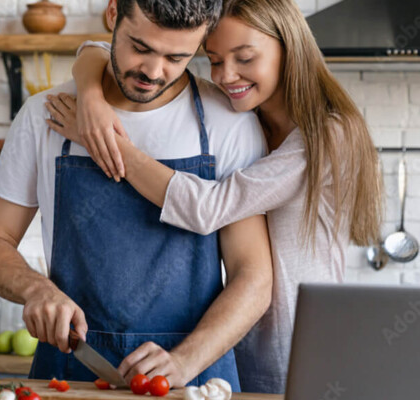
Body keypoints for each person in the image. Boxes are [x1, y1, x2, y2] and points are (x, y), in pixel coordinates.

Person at [45, 0, 383, 394]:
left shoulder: (328, 136)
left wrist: (98, 135)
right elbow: (98, 50)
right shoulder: (250, 121)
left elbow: (208, 208)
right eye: (215, 60)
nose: (226, 76)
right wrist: (90, 96)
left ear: (289, 48)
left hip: (301, 357)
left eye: (244, 58)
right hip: (236, 354)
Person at [0, 0, 274, 391]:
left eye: (177, 57)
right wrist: (36, 290)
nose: (153, 71)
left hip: (192, 380)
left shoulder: (228, 126)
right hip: (71, 369)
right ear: (113, 15)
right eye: (141, 48)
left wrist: (185, 360)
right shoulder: (45, 116)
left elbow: (254, 277)